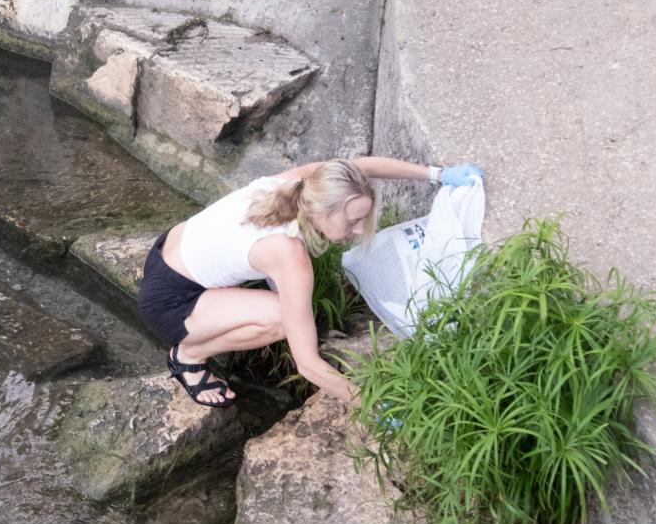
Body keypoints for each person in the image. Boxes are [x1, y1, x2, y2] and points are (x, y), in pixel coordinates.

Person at [137, 157, 483, 408]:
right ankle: (189, 355)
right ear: (322, 213)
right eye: (355, 220)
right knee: (280, 320)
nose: (360, 230)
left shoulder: (304, 185)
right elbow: (307, 363)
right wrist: (371, 406)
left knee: (288, 308)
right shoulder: (290, 256)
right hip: (171, 302)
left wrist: (439, 174)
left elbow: (363, 166)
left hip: (165, 253)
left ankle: (205, 327)